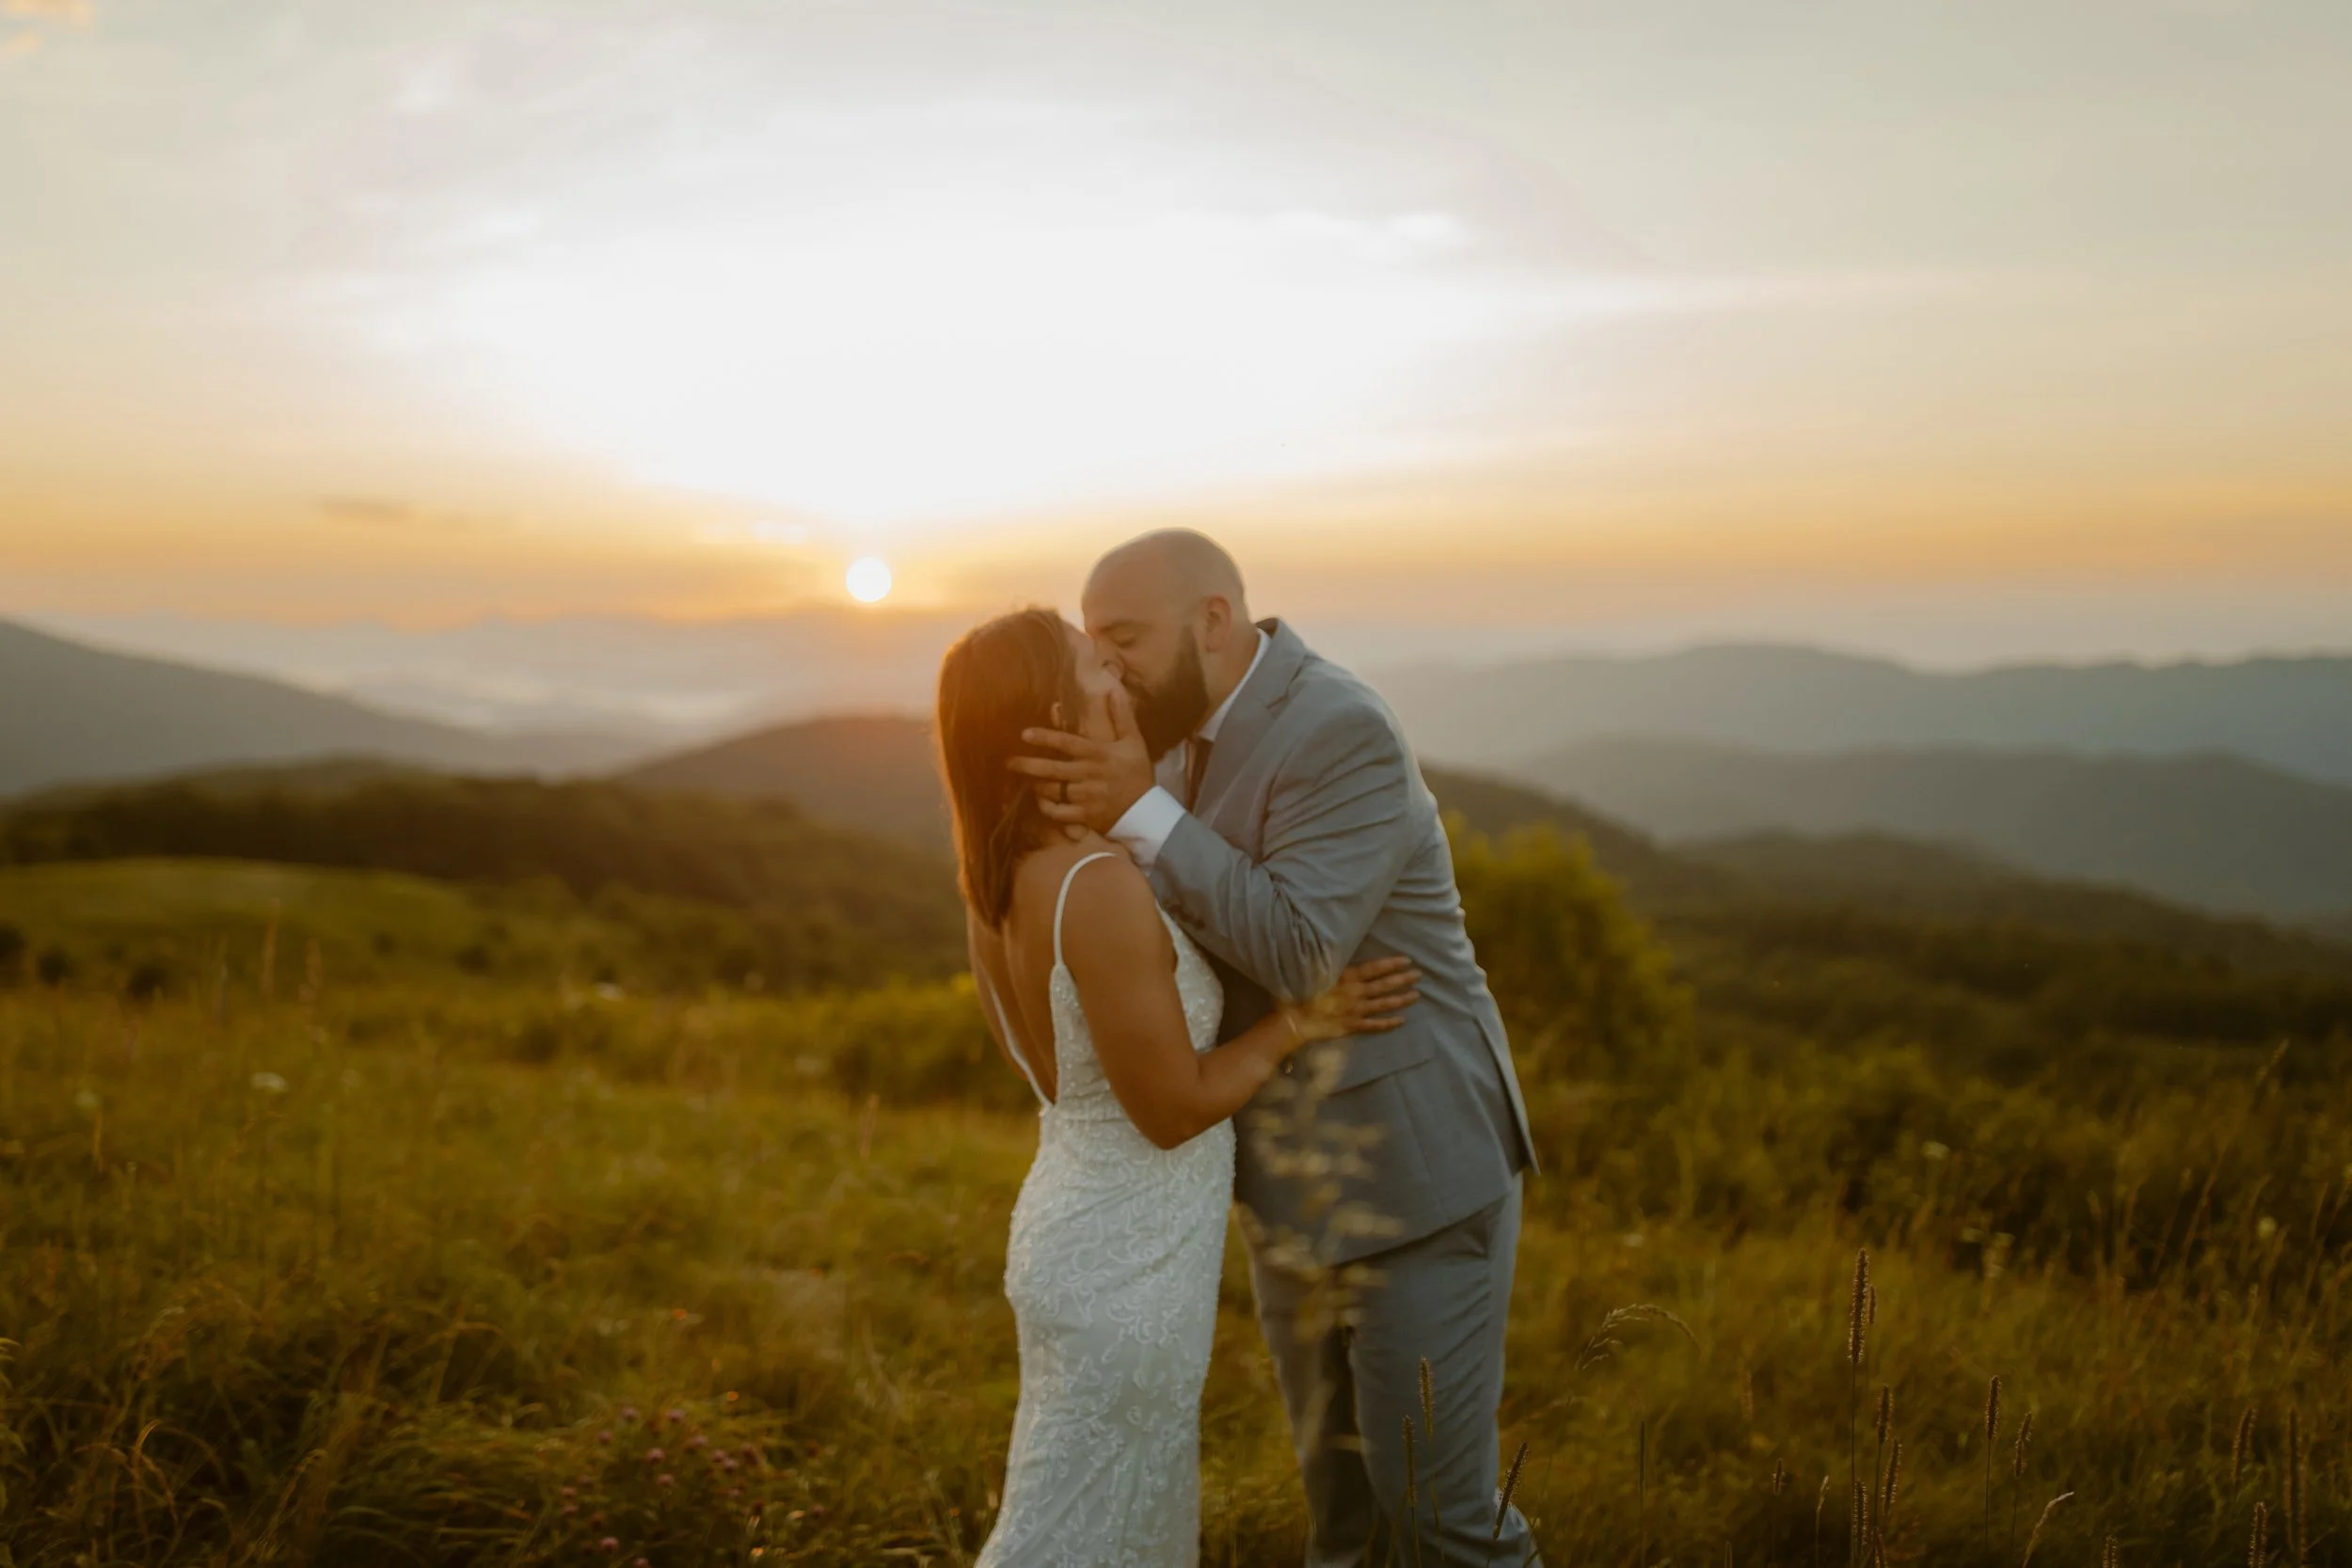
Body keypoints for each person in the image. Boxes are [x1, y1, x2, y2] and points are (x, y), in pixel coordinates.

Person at [1009, 531, 1541, 1566]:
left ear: (1213, 619)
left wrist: (1137, 809)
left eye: (1125, 638)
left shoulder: (1338, 727)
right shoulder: (1157, 737)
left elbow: (1301, 950)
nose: (1107, 666)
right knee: (1343, 1526)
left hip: (1415, 1177)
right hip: (1283, 1186)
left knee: (1440, 1523)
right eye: (1094, 644)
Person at [936, 605, 1422, 1565]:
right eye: (1095, 665)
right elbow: (1172, 1110)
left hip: (1073, 1225)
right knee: (1082, 1532)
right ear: (1056, 715)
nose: (1116, 673)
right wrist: (1298, 1020)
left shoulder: (996, 878)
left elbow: (1057, 1073)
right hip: (1128, 1260)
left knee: (1084, 1512)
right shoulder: (1096, 885)